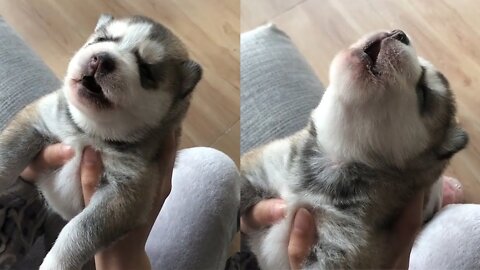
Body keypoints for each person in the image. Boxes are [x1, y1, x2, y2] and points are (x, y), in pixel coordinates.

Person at [0, 18, 239, 270]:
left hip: (27, 216)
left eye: (145, 71)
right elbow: (31, 123)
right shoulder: (58, 107)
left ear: (176, 99)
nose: (102, 58)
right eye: (102, 39)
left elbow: (122, 201)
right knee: (212, 171)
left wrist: (23, 181)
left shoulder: (139, 155)